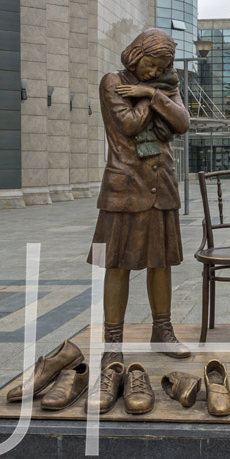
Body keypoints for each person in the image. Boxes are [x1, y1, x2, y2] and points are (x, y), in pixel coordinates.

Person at [89, 29, 192, 372]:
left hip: (160, 187)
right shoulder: (111, 82)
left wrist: (150, 91)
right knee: (116, 265)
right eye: (150, 64)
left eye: (161, 66)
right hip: (125, 187)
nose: (153, 71)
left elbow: (182, 122)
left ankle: (163, 331)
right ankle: (112, 344)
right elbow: (130, 124)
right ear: (136, 54)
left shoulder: (164, 85)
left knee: (161, 263)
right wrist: (155, 97)